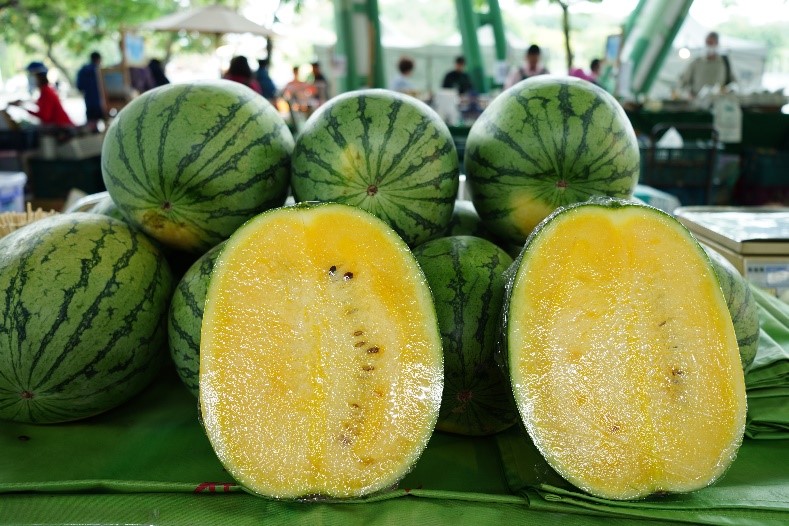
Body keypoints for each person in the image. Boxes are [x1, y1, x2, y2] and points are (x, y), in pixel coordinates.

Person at [9, 62, 74, 130]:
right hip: (59, 127)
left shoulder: (46, 92)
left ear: (40, 76)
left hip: (62, 128)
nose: (30, 78)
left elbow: (44, 117)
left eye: (32, 75)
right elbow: (41, 104)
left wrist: (24, 108)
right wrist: (23, 103)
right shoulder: (45, 90)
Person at [678, 31, 736, 97]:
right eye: (707, 43)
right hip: (697, 102)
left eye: (711, 43)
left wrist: (727, 91)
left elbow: (733, 84)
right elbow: (682, 82)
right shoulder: (696, 62)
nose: (708, 45)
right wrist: (687, 94)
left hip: (718, 102)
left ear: (717, 44)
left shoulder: (724, 63)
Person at [76, 51, 105, 132]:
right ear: (99, 59)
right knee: (105, 125)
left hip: (89, 102)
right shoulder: (101, 71)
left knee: (92, 125)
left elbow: (79, 87)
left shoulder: (82, 71)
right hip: (101, 102)